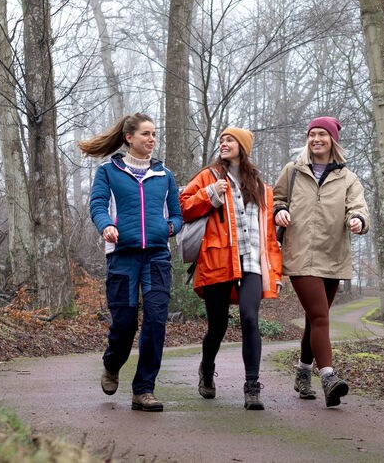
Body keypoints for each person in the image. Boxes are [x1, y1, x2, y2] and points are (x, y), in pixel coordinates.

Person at [82, 113, 183, 412]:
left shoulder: (164, 175)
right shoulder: (108, 171)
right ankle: (112, 364)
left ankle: (143, 390)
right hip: (122, 256)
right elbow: (98, 204)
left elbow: (177, 214)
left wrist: (168, 228)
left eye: (154, 134)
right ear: (129, 138)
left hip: (156, 257)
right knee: (124, 325)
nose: (152, 139)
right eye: (146, 134)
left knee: (155, 322)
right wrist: (106, 226)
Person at [181, 127, 284, 410]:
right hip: (218, 261)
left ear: (243, 146)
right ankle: (207, 368)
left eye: (230, 140)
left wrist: (275, 271)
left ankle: (252, 387)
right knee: (218, 326)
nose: (224, 143)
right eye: (222, 140)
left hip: (252, 263)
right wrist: (210, 194)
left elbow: (269, 236)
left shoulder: (262, 188)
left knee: (250, 319)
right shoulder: (208, 177)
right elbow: (183, 208)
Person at [272, 116, 369, 408]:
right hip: (300, 254)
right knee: (320, 316)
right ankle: (328, 376)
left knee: (315, 318)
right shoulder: (292, 171)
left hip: (333, 254)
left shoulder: (348, 177)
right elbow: (277, 198)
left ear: (332, 140)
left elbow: (359, 207)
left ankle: (302, 372)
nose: (316, 139)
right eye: (312, 134)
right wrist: (279, 211)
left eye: (322, 135)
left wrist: (357, 220)